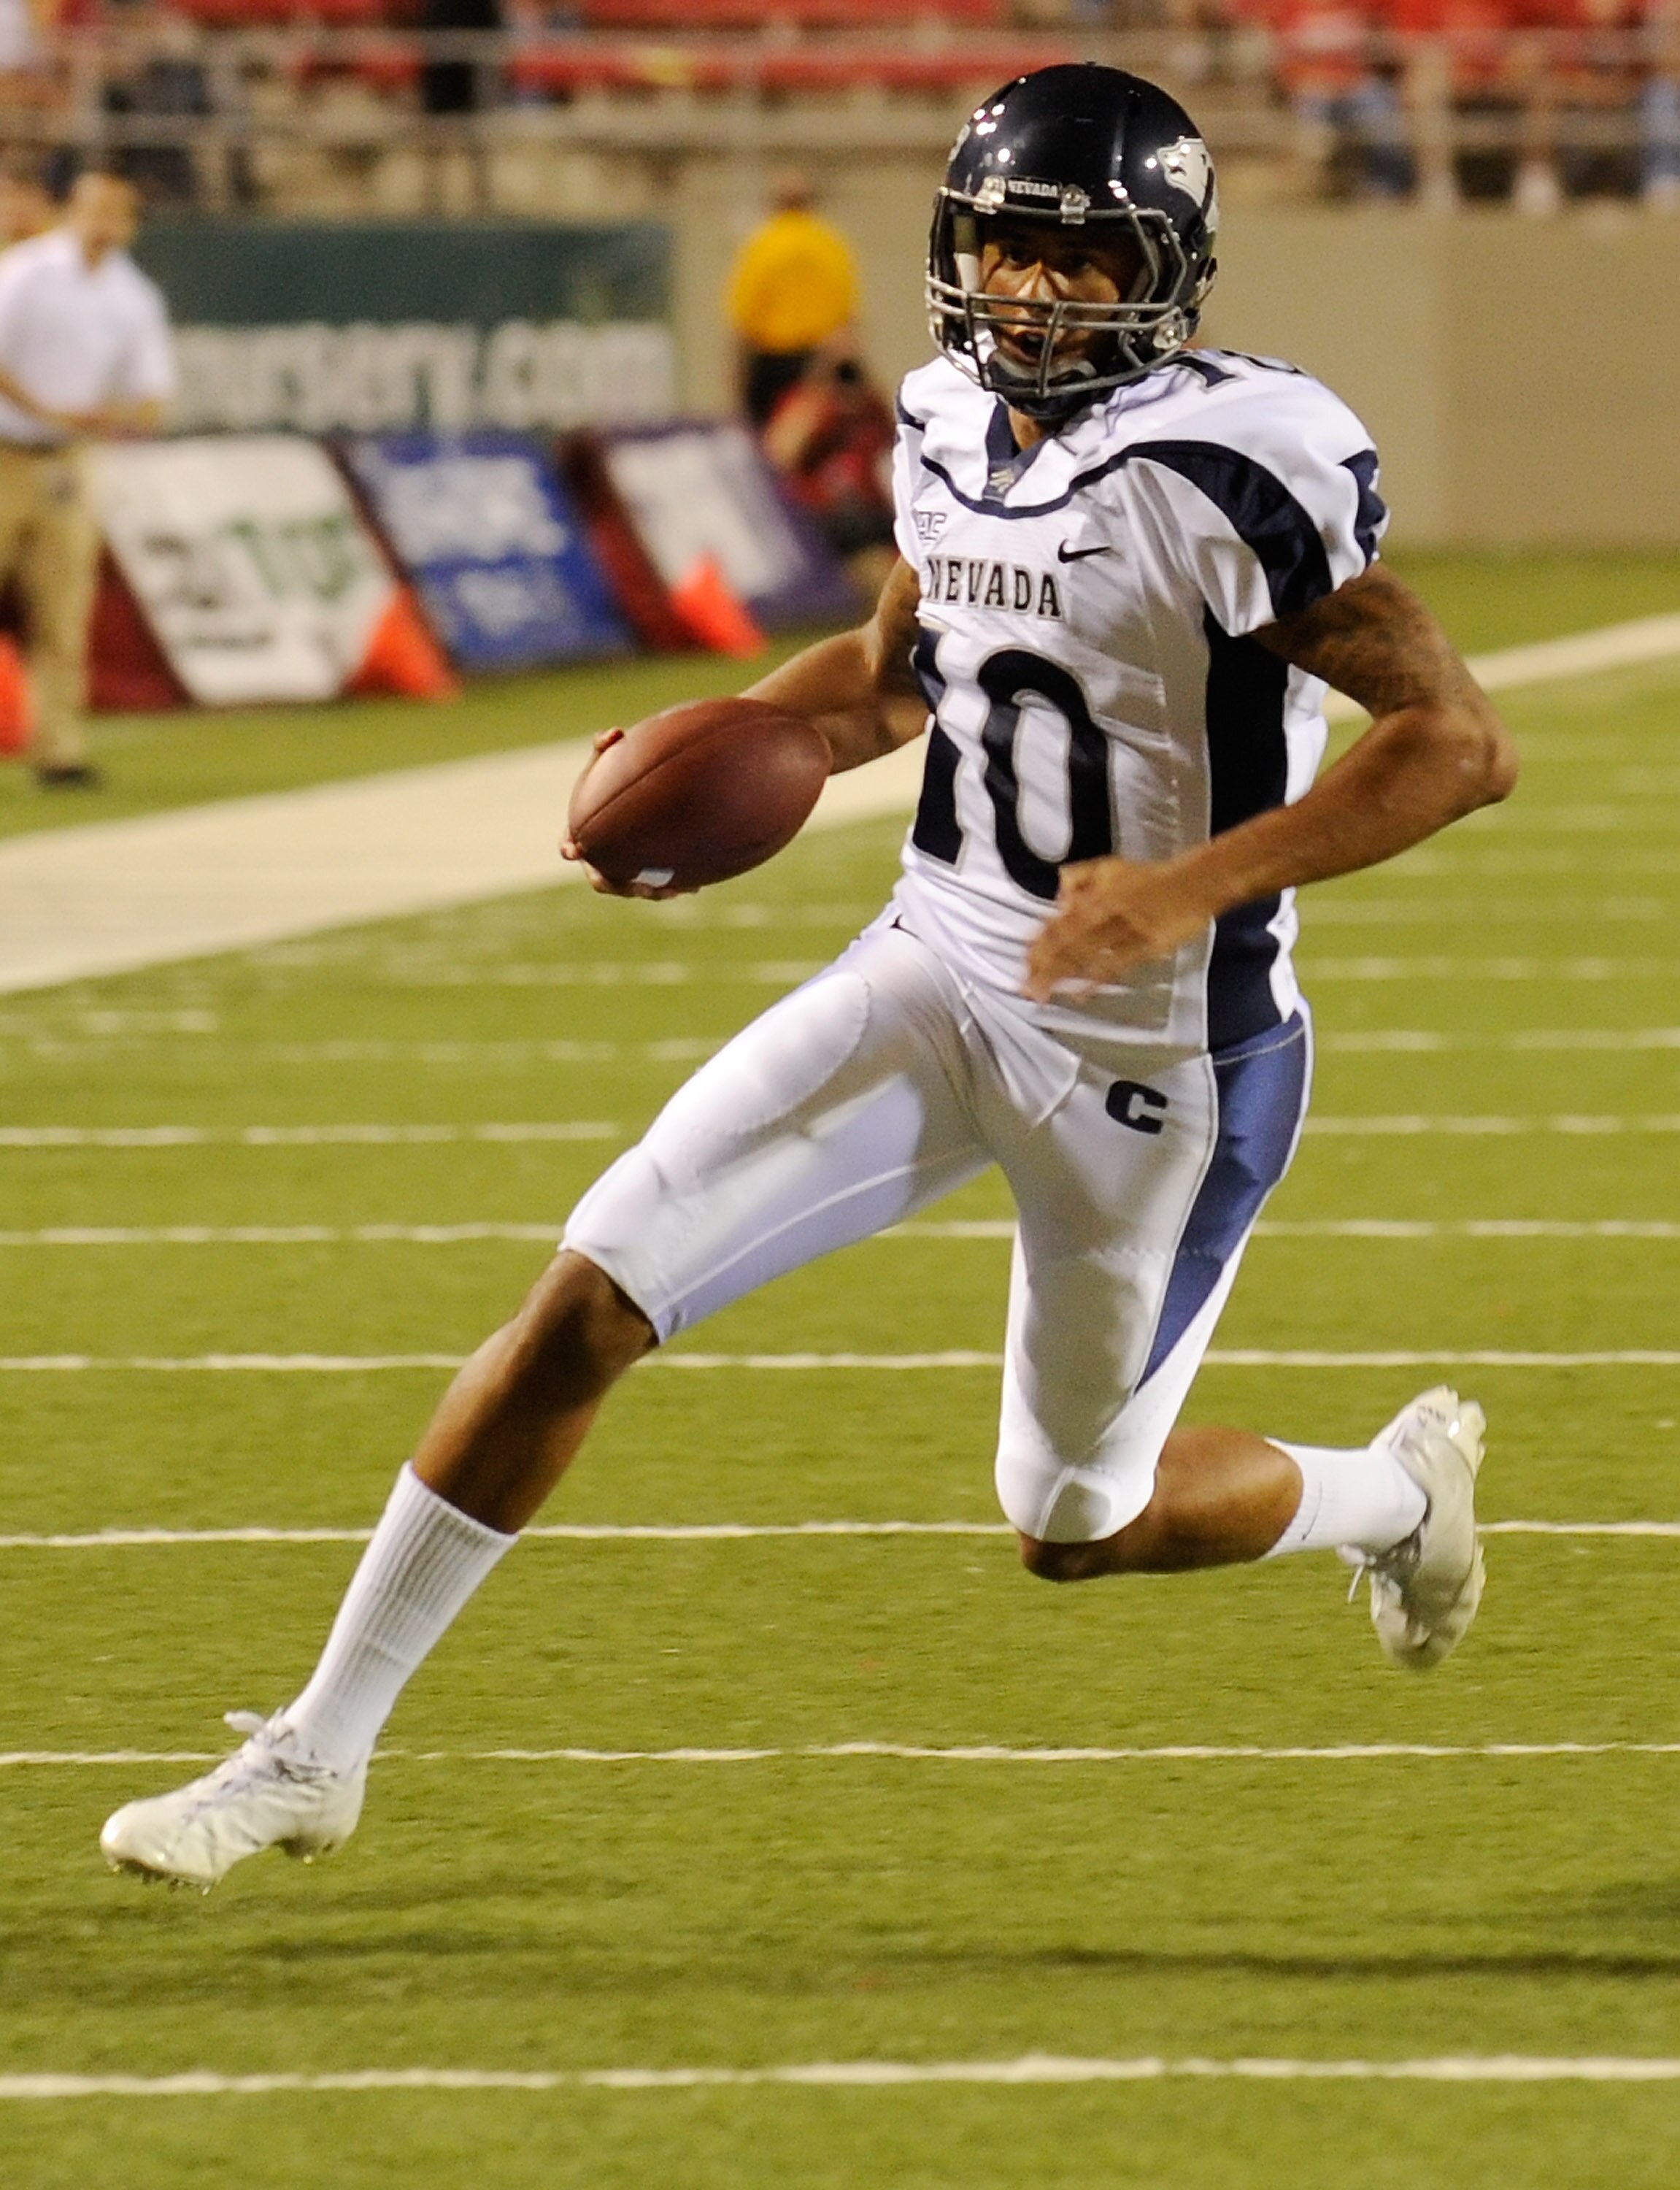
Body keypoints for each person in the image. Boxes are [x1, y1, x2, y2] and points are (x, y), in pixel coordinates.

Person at [100, 64, 1517, 1892]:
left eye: (1074, 263)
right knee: (586, 1295)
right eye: (1001, 247)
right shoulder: (935, 419)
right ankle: (314, 1747)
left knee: (1073, 1520)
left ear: (1163, 273)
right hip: (932, 967)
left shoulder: (1241, 454)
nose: (1025, 291)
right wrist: (694, 761)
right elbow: (885, 678)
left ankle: (1392, 1497)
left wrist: (1183, 889)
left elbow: (1452, 741)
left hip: (1158, 1048)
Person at [0, 165, 174, 788]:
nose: (100, 223)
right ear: (70, 209)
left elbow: (153, 397)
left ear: (129, 223)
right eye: (91, 208)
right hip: (5, 452)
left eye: (114, 212)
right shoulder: (25, 273)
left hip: (69, 462)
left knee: (63, 614)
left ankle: (59, 750)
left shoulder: (133, 297)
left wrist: (109, 416)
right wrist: (43, 407)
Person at [725, 168, 860, 430]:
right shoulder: (830, 244)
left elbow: (742, 322)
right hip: (819, 361)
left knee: (766, 438)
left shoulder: (761, 245)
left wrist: (736, 383)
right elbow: (848, 320)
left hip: (772, 364)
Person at [0, 149, 55, 247]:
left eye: (14, 195)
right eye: (2, 196)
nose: (7, 206)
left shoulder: (59, 245)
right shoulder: (5, 247)